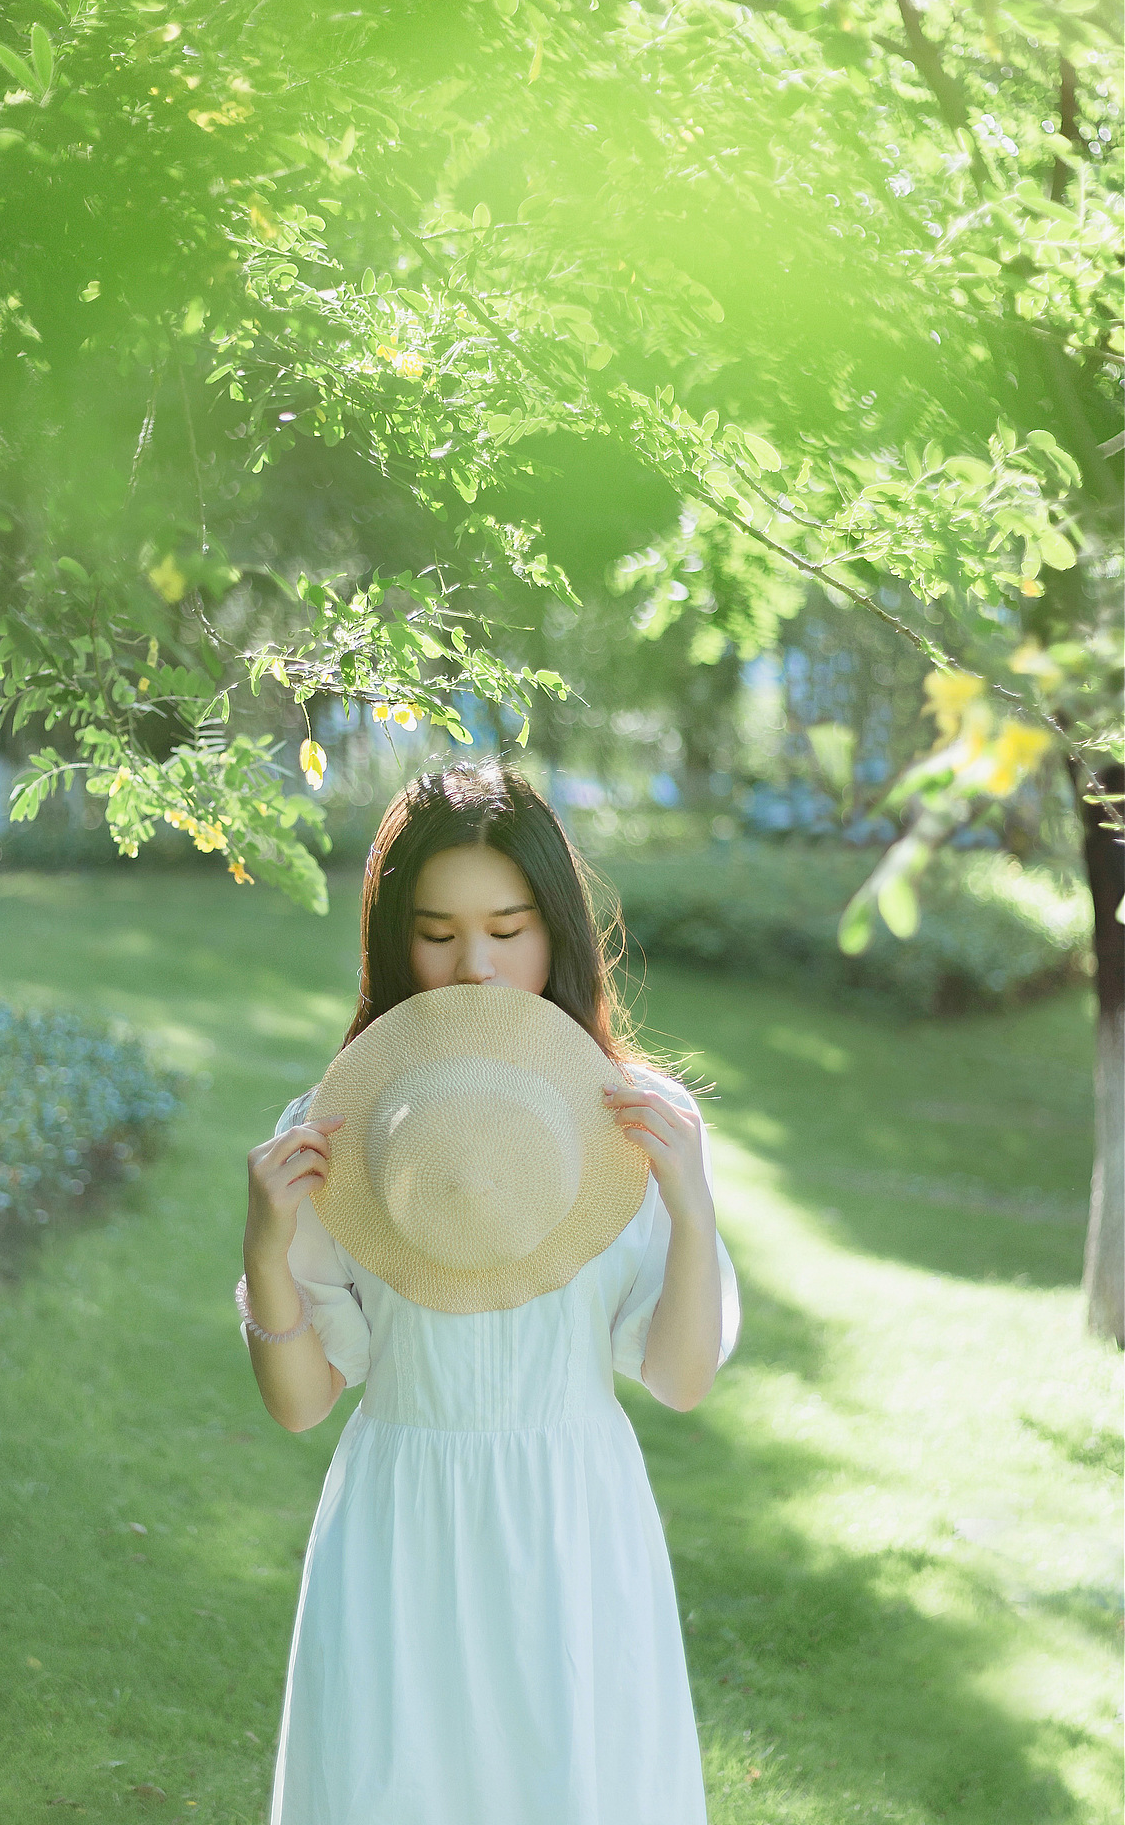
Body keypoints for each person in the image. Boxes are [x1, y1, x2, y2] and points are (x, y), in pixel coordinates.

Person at [240, 760, 740, 1824]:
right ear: (392, 940)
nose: (474, 963)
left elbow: (681, 1380)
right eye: (436, 931)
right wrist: (265, 1247)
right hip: (396, 1524)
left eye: (507, 927)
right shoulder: (344, 1125)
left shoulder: (634, 1122)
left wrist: (691, 1212)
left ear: (555, 926)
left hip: (573, 1523)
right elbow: (299, 1402)